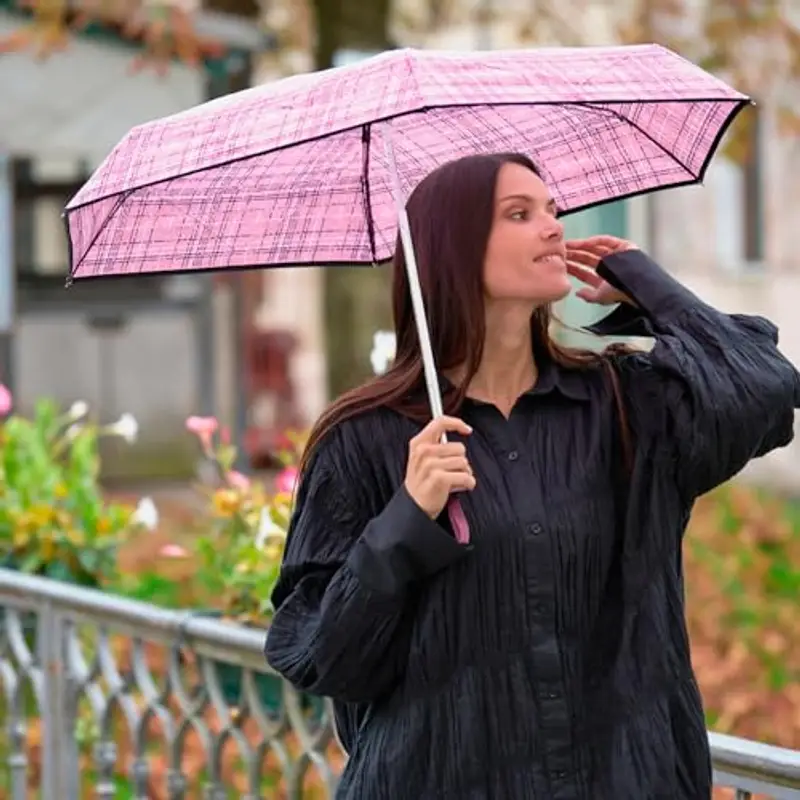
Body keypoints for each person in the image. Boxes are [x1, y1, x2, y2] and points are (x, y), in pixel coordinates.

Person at [264, 153, 799, 800]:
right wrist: (405, 521)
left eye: (551, 209)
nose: (553, 226)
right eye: (520, 214)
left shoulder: (623, 405)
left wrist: (650, 290)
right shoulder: (364, 441)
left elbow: (768, 389)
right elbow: (317, 655)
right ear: (451, 251)